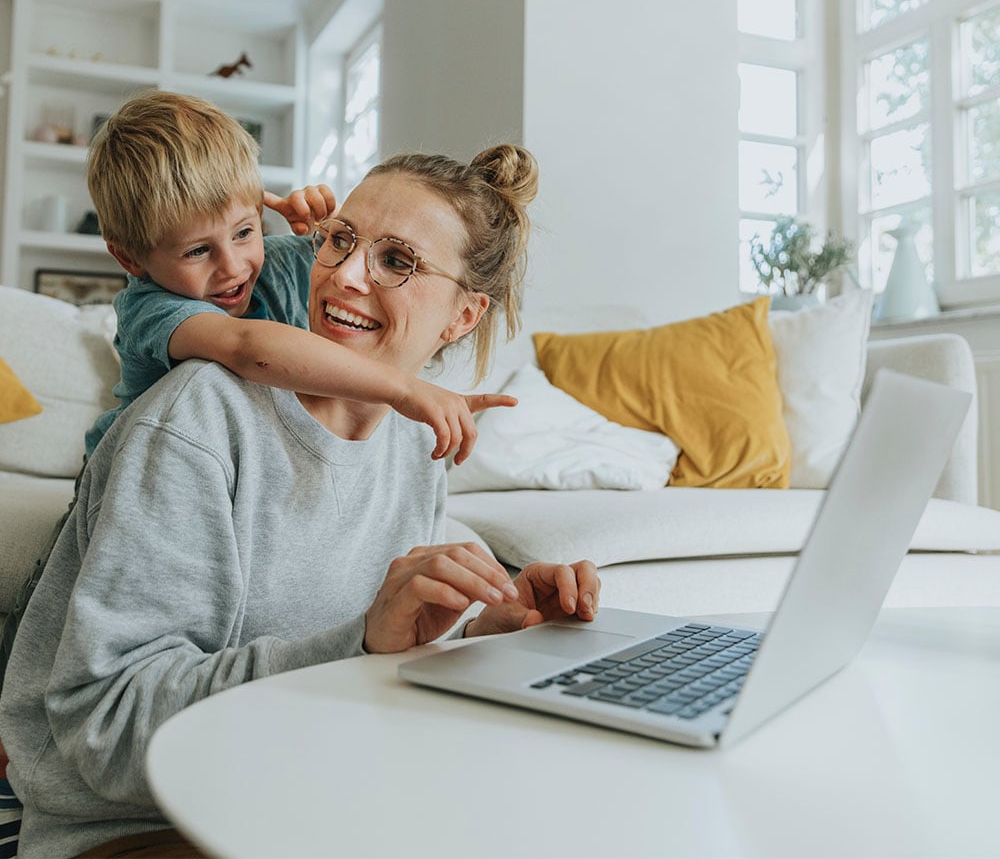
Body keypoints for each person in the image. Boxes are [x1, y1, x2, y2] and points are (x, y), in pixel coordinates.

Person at [0, 143, 600, 858]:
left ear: (462, 317)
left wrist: (479, 637)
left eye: (396, 260)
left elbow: (376, 656)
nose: (344, 275)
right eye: (341, 240)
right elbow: (106, 726)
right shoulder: (195, 421)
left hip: (315, 797)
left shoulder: (413, 448)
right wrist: (361, 642)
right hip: (145, 827)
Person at [0, 92, 515, 688]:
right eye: (197, 250)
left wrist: (486, 634)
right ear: (131, 259)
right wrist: (404, 388)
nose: (233, 268)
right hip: (134, 483)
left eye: (245, 232)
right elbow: (248, 349)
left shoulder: (279, 265)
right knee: (41, 635)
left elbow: (379, 639)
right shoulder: (156, 315)